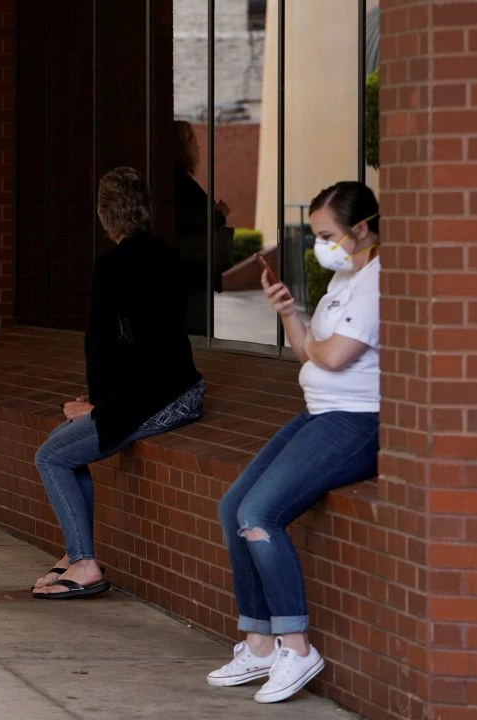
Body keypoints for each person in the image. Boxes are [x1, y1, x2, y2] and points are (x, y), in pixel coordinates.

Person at [207, 182, 380, 704]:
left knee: (259, 514)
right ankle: (260, 642)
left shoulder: (379, 281)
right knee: (233, 506)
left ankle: (296, 646)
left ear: (362, 229)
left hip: (356, 422)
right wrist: (287, 312)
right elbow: (310, 350)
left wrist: (321, 346)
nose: (320, 245)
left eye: (327, 235)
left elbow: (335, 357)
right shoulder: (344, 279)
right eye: (316, 235)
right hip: (319, 413)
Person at [28, 167, 205, 597]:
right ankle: (74, 552)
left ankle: (84, 563)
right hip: (182, 389)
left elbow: (100, 345)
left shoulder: (111, 266)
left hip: (151, 399)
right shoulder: (168, 256)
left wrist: (99, 406)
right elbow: (152, 340)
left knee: (50, 457)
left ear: (104, 214)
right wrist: (102, 400)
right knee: (61, 444)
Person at [172, 121, 234, 336]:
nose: (198, 147)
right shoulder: (179, 182)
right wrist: (219, 214)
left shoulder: (177, 180)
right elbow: (191, 220)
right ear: (182, 145)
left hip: (189, 272)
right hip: (190, 273)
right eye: (194, 142)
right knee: (195, 336)